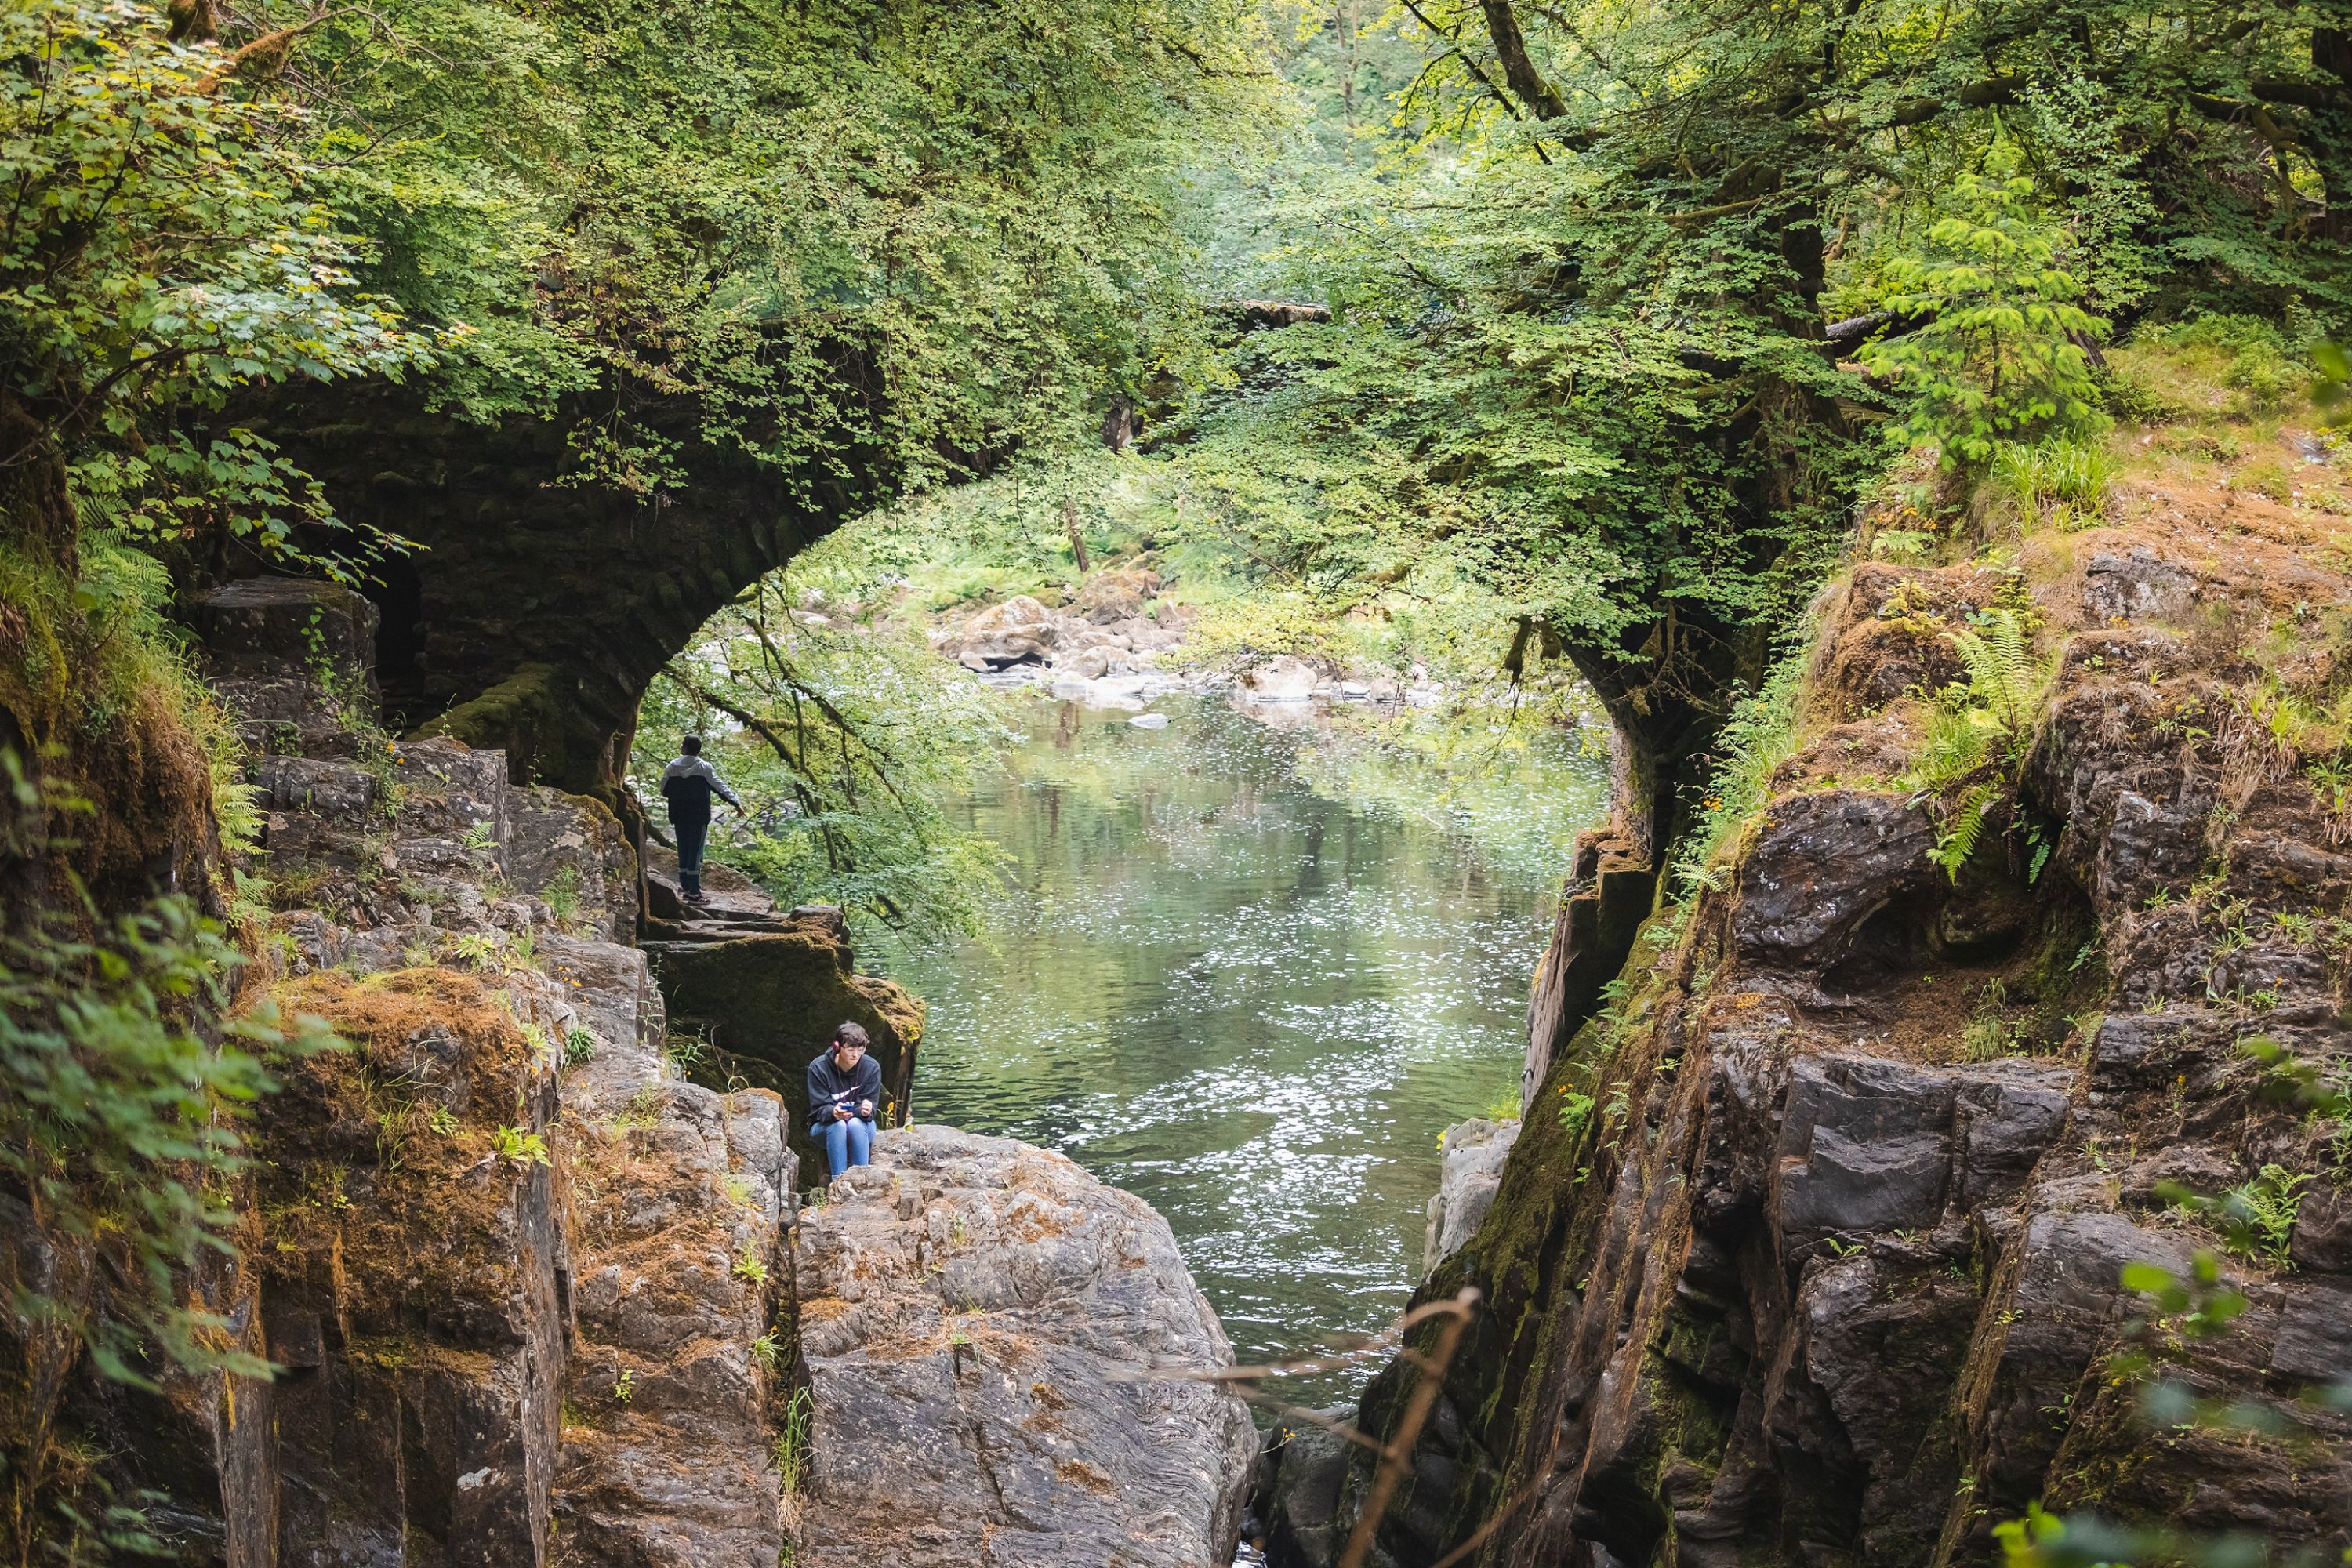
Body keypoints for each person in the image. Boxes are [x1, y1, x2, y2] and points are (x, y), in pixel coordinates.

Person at [659, 735, 742, 903]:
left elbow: (664, 790)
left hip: (678, 814)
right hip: (698, 815)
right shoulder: (704, 767)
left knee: (683, 850)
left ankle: (686, 888)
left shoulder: (671, 767)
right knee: (696, 853)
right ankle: (695, 893)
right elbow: (720, 787)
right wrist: (736, 802)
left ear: (685, 748)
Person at [808, 1022, 883, 1178]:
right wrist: (833, 1112)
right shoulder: (818, 1068)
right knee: (839, 1125)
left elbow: (870, 1112)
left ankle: (862, 1179)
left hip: (861, 1126)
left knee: (855, 1124)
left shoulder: (871, 1068)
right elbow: (818, 1111)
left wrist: (866, 1110)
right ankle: (838, 1182)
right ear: (837, 1047)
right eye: (850, 1049)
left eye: (860, 1050)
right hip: (826, 1127)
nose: (855, 1055)